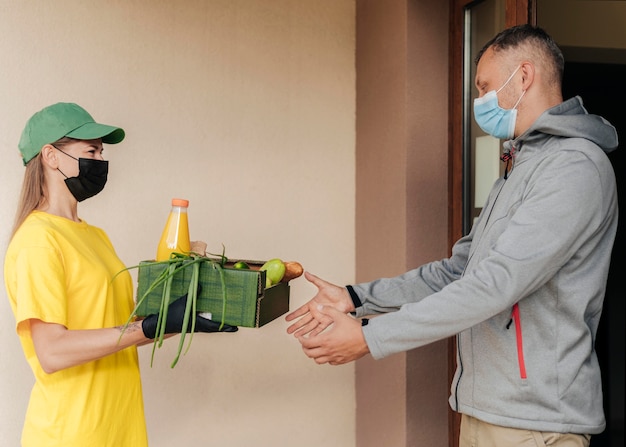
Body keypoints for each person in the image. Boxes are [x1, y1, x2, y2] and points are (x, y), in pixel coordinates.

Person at [286, 24, 618, 446]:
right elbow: (458, 272)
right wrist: (356, 298)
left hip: (536, 423)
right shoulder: (520, 167)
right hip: (488, 411)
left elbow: (494, 286)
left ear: (524, 76)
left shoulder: (574, 169)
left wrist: (369, 336)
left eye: (484, 86)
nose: (479, 100)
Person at [4, 102, 237, 447]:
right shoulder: (38, 240)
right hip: (71, 434)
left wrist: (181, 317)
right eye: (91, 150)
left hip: (119, 428)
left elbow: (123, 326)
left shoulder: (94, 236)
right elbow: (51, 352)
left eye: (101, 151)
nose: (100, 160)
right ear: (50, 156)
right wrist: (148, 326)